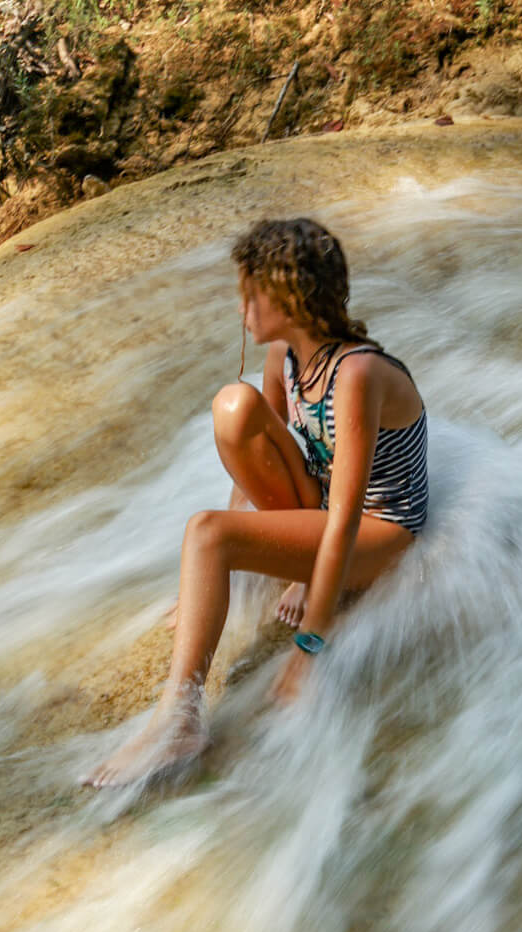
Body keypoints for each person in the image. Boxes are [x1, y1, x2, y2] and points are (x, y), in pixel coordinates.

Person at [84, 216, 429, 787]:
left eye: (251, 294)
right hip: (324, 506)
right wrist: (214, 575)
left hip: (378, 531)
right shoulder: (286, 361)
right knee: (234, 407)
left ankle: (180, 720)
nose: (242, 308)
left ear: (291, 299)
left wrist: (309, 646)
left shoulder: (356, 375)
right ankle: (251, 574)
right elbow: (260, 465)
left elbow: (343, 520)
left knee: (207, 532)